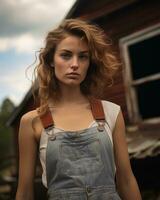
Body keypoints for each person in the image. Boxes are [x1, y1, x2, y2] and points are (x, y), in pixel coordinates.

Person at [15, 19, 142, 200]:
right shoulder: (31, 122)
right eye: (66, 55)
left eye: (83, 56)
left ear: (90, 62)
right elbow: (25, 192)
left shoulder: (111, 112)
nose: (75, 64)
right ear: (51, 60)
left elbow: (126, 181)